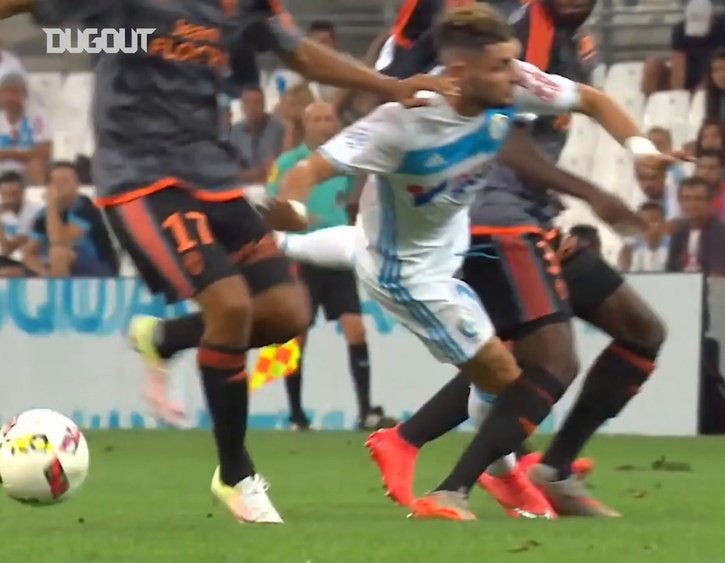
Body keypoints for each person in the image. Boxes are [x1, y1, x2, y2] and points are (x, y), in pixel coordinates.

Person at [0, 0, 453, 525]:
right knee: (231, 305)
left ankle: (166, 338)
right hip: (141, 178)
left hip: (214, 178)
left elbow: (300, 53)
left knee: (287, 313)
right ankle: (236, 476)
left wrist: (393, 87)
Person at [277, 4, 674, 521]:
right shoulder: (404, 121)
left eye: (515, 63)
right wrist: (292, 208)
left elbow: (593, 101)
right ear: (462, 73)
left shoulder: (512, 77)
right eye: (503, 66)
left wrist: (640, 149)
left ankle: (467, 459)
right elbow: (311, 169)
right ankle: (464, 480)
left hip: (471, 237)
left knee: (552, 355)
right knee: (524, 368)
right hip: (438, 263)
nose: (517, 75)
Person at [266, 101, 392, 431]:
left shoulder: (345, 164)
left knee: (356, 328)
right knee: (297, 336)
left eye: (329, 118)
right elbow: (270, 204)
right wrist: (298, 220)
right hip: (301, 256)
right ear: (305, 125)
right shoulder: (288, 163)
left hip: (337, 256)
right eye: (317, 119)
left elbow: (353, 203)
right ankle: (296, 415)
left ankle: (366, 411)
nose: (324, 124)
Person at [20, 161, 118, 277]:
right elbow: (29, 252)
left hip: (99, 267)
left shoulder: (84, 206)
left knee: (58, 253)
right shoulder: (43, 213)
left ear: (77, 185)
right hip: (63, 266)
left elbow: (60, 241)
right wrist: (43, 271)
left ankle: (60, 293)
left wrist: (52, 205)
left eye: (65, 181)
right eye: (54, 181)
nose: (59, 185)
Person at [666, 176, 725, 277]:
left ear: (710, 203)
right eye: (686, 198)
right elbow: (670, 273)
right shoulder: (678, 234)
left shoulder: (724, 234)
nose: (691, 204)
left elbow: (720, 276)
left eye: (697, 199)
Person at [0, 170, 41, 276]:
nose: (9, 198)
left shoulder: (34, 211)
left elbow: (8, 249)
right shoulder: (5, 213)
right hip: (16, 259)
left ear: (23, 192)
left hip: (38, 261)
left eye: (14, 193)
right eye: (5, 194)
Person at [618, 202, 670, 272]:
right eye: (644, 222)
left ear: (664, 222)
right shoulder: (632, 247)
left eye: (653, 221)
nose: (648, 226)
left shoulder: (674, 245)